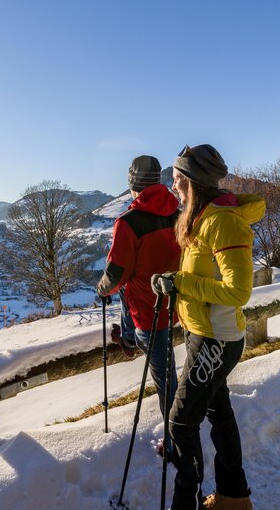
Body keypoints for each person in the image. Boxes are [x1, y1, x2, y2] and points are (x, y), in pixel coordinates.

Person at [152, 144, 266, 510]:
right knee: (218, 413)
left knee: (181, 423)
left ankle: (187, 503)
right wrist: (175, 279)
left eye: (177, 181)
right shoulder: (202, 217)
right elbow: (203, 273)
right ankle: (234, 498)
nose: (172, 188)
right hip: (206, 334)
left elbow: (238, 290)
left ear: (193, 182)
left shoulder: (223, 221)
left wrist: (182, 285)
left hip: (216, 339)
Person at [97, 154, 181, 420]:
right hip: (177, 306)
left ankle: (175, 441)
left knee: (167, 383)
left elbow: (116, 273)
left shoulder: (129, 222)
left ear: (132, 184)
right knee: (168, 377)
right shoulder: (178, 214)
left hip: (149, 315)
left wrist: (101, 289)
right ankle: (129, 338)